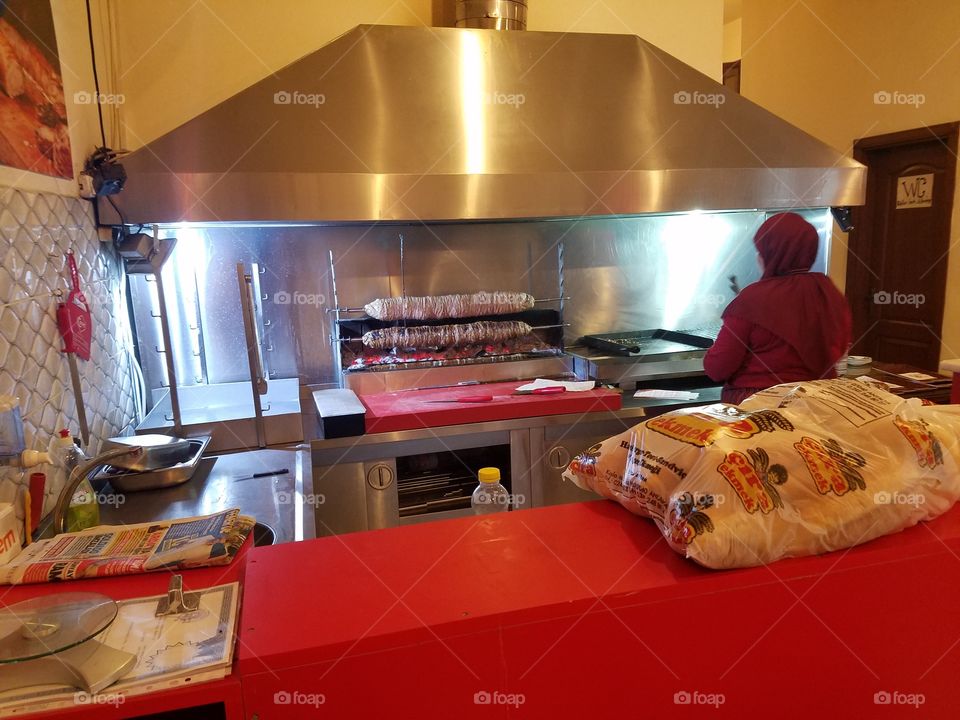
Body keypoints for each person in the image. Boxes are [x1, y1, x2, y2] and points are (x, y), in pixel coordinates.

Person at [703, 212, 852, 404]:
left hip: (757, 408)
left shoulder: (752, 299)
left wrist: (710, 353)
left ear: (770, 252)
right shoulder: (828, 292)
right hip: (818, 404)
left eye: (761, 250)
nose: (758, 257)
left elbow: (718, 368)